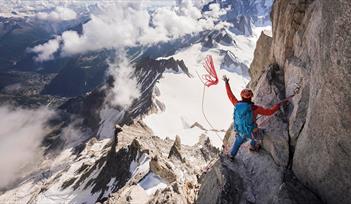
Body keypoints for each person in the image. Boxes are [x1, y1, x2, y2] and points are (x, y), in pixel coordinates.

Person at [223, 75, 285, 159]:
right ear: (251, 97)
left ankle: (231, 155)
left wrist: (226, 83)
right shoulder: (255, 108)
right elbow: (269, 112)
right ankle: (253, 146)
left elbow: (230, 96)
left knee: (237, 143)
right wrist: (278, 106)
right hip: (251, 132)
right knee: (259, 133)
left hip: (240, 131)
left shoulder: (236, 104)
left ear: (241, 97)